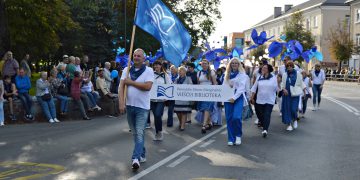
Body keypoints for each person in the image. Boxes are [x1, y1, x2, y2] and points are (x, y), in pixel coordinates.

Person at [118, 48, 154, 170]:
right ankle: (142, 154)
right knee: (136, 133)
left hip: (142, 108)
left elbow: (148, 87)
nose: (136, 57)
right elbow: (121, 87)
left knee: (139, 132)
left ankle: (135, 159)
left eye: (139, 56)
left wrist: (131, 82)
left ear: (144, 59)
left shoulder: (148, 70)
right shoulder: (126, 70)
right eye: (135, 55)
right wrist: (121, 102)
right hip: (129, 106)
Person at [223, 58, 247, 145]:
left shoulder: (242, 75)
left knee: (236, 117)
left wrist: (234, 97)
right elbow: (223, 86)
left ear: (239, 64)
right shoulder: (226, 74)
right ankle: (231, 138)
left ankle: (238, 135)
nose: (234, 64)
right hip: (227, 98)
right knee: (229, 118)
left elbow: (241, 88)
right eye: (232, 63)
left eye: (236, 63)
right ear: (230, 64)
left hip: (238, 98)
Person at [250, 64, 278, 137]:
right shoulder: (259, 77)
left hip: (270, 99)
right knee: (259, 114)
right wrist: (252, 97)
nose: (263, 69)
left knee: (267, 114)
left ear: (268, 69)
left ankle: (265, 130)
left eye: (265, 68)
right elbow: (254, 88)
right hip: (260, 99)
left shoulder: (273, 77)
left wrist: (279, 92)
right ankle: (263, 123)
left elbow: (276, 88)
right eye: (262, 68)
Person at [281, 61, 306, 131]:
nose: (289, 67)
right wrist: (283, 89)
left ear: (292, 66)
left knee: (293, 109)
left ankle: (295, 119)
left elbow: (301, 83)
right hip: (287, 95)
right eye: (287, 66)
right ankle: (289, 124)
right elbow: (282, 84)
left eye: (290, 66)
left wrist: (304, 93)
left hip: (295, 94)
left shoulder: (298, 74)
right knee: (287, 109)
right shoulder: (284, 74)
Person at [151, 60, 171, 140]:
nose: (156, 67)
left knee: (158, 114)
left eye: (157, 65)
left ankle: (160, 131)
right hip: (152, 99)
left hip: (161, 99)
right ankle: (157, 132)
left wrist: (167, 96)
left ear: (160, 66)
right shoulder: (150, 74)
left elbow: (169, 85)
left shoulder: (165, 75)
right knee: (156, 116)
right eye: (155, 65)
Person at [197, 59, 217, 134]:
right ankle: (210, 122)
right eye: (202, 64)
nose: (204, 65)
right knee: (203, 109)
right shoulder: (199, 73)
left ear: (208, 64)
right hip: (201, 94)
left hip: (210, 93)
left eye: (205, 63)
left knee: (206, 108)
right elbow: (198, 84)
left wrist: (215, 93)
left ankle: (204, 125)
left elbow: (215, 83)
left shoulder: (211, 72)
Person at [174, 66, 193, 131]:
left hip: (185, 99)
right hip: (178, 99)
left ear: (185, 72)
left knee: (184, 112)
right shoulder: (177, 79)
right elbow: (174, 87)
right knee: (178, 112)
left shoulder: (188, 78)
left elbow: (191, 86)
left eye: (181, 70)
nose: (180, 72)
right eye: (179, 71)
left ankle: (182, 126)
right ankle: (181, 122)